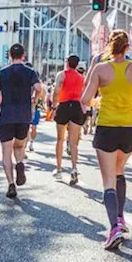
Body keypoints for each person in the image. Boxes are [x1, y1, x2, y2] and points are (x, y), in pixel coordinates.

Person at [80, 31, 132, 250]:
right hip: (130, 127)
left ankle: (114, 227)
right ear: (128, 47)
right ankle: (121, 219)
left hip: (107, 126)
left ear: (109, 46)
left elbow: (85, 99)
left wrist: (98, 102)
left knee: (108, 180)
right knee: (120, 171)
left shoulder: (100, 69)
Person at [0, 45, 44, 199]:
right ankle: (20, 162)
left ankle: (11, 184)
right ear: (23, 55)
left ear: (9, 56)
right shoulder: (30, 72)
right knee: (20, 145)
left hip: (7, 115)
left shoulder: (2, 72)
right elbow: (39, 88)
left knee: (6, 151)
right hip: (24, 114)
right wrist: (34, 97)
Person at [50, 55, 87, 185]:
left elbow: (56, 91)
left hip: (64, 105)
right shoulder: (81, 77)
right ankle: (74, 168)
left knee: (60, 139)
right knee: (74, 142)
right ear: (77, 65)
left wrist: (54, 107)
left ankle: (59, 169)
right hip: (76, 107)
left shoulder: (62, 74)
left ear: (67, 62)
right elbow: (83, 95)